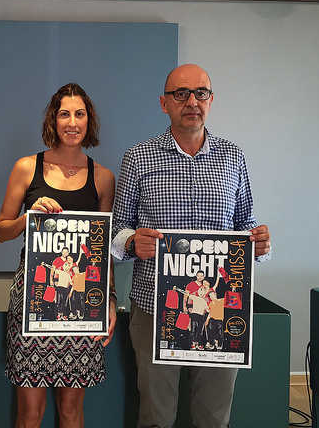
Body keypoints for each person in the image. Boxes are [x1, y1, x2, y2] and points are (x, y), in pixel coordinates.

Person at [111, 64, 272, 428]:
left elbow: (245, 224)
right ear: (163, 103)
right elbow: (116, 231)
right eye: (180, 94)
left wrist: (259, 242)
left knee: (213, 418)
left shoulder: (233, 157)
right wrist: (132, 242)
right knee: (156, 416)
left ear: (211, 100)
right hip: (155, 307)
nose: (192, 102)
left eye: (201, 93)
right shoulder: (138, 157)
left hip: (220, 307)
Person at [0, 83, 117, 428]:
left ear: (89, 121)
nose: (72, 122)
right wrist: (28, 218)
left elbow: (104, 249)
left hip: (82, 305)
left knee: (71, 411)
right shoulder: (26, 168)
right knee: (29, 413)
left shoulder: (104, 178)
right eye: (65, 114)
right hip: (33, 301)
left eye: (80, 114)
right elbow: (1, 230)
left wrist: (109, 301)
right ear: (53, 119)